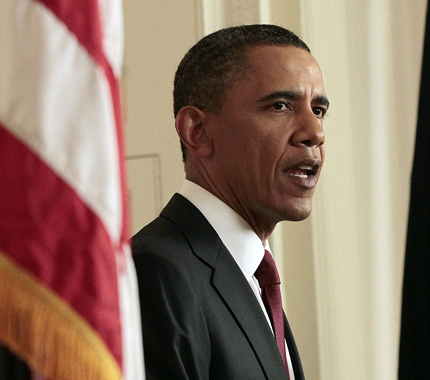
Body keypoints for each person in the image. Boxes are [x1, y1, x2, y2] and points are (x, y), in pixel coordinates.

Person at [132, 24, 328, 380]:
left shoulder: (253, 277)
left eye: (318, 110)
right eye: (280, 105)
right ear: (197, 131)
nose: (315, 132)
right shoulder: (158, 271)